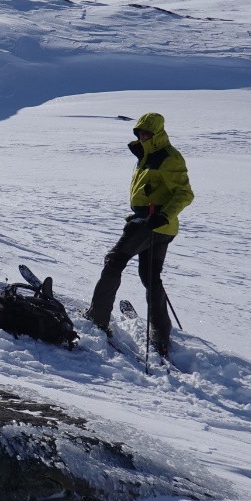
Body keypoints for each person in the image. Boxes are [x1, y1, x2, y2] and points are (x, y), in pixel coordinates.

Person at [86, 112, 194, 357]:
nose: (142, 136)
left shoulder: (168, 157)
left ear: (158, 133)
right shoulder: (147, 155)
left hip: (152, 222)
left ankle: (98, 317)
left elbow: (185, 194)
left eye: (147, 132)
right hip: (155, 223)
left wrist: (163, 215)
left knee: (114, 261)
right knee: (150, 276)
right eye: (139, 132)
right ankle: (160, 332)